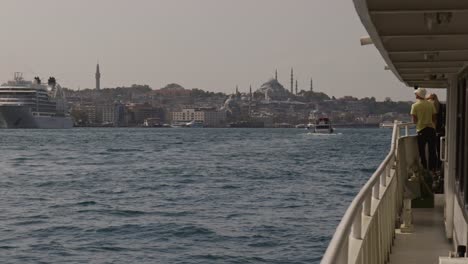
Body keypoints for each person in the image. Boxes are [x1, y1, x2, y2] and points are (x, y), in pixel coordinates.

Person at [411, 88, 437, 173]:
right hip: (431, 129)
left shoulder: (415, 105)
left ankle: (424, 169)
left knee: (422, 151)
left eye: (416, 94)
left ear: (418, 95)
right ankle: (433, 169)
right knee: (432, 150)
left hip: (421, 130)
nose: (415, 95)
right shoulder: (430, 104)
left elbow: (414, 121)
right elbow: (434, 118)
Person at [427, 93, 446, 170]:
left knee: (431, 151)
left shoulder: (429, 107)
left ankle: (432, 168)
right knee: (439, 150)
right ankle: (439, 167)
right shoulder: (442, 106)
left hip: (431, 131)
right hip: (440, 131)